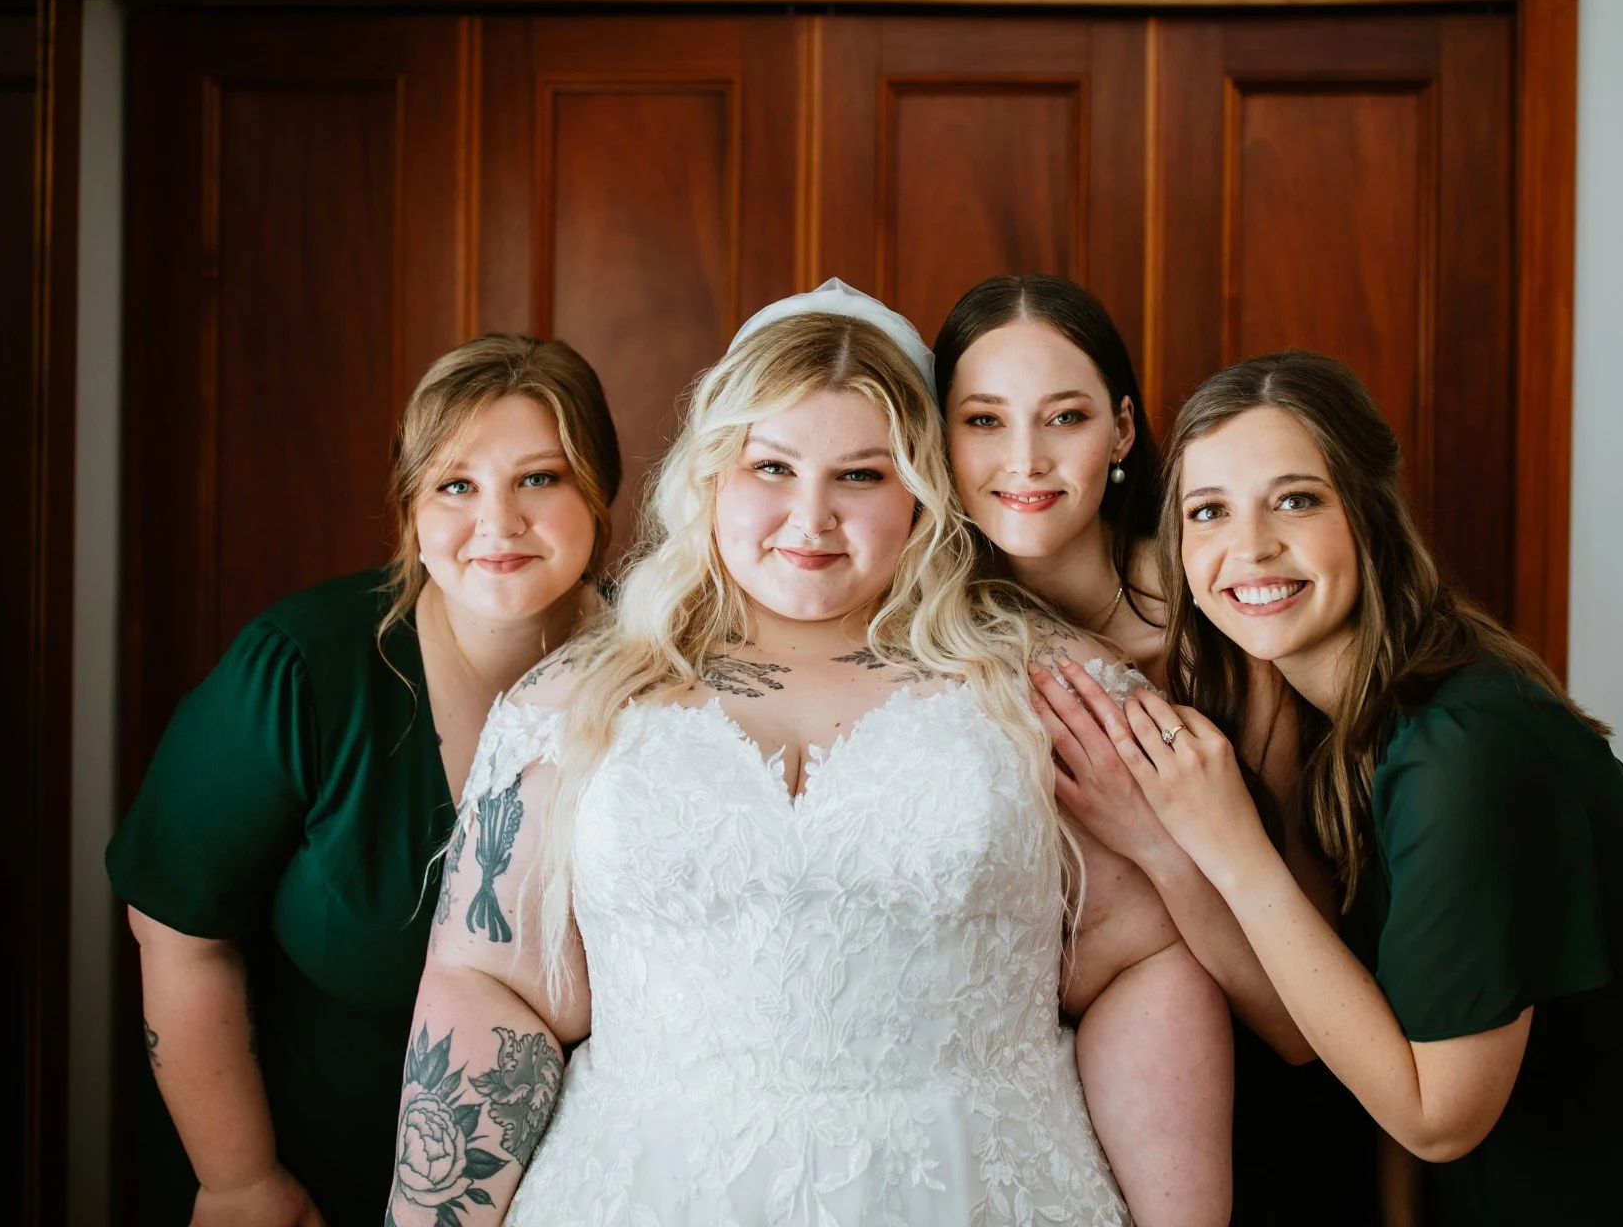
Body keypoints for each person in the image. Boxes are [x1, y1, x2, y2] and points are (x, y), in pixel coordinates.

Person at [386, 283, 1232, 1225]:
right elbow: (492, 987)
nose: (810, 518)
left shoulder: (1048, 691)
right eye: (773, 469)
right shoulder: (571, 703)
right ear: (713, 475)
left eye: (862, 476)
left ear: (920, 487)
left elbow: (1142, 962)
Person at [1036, 349, 1623, 1223]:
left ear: (1372, 514)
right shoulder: (1325, 712)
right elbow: (1321, 1029)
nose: (1250, 546)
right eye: (1209, 512)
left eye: (1296, 500)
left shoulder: (1465, 752)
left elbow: (1436, 1118)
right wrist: (1169, 842)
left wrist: (1229, 847)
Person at [107, 336, 623, 1226]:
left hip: (599, 1191)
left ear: (599, 487)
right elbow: (176, 932)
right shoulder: (303, 671)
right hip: (311, 1188)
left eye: (540, 478)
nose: (497, 523)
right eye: (455, 485)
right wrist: (240, 1180)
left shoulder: (668, 677)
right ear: (411, 506)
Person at [935, 276, 1378, 1222]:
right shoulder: (921, 644)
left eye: (1065, 417)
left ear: (1123, 431)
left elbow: (1302, 1025)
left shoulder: (1226, 619)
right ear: (939, 437)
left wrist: (1157, 842)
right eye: (983, 420)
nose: (1025, 459)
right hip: (1011, 1114)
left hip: (1254, 1120)